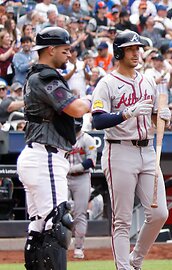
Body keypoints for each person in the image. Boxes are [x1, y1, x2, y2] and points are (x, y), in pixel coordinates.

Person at [91, 30, 170, 270]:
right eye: (131, 49)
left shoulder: (147, 80)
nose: (136, 53)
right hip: (120, 150)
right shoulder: (107, 83)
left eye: (139, 48)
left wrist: (163, 116)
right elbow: (98, 120)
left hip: (147, 151)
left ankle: (135, 260)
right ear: (119, 52)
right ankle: (124, 267)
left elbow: (155, 115)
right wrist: (126, 113)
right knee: (122, 219)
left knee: (159, 214)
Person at [16, 27, 92, 270]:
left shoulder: (37, 75)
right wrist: (95, 100)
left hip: (39, 154)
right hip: (45, 156)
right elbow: (76, 109)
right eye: (65, 49)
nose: (69, 54)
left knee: (40, 226)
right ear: (50, 49)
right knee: (58, 223)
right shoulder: (46, 77)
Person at [67, 118, 97, 259]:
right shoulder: (62, 137)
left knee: (80, 213)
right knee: (60, 212)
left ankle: (78, 247)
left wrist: (73, 168)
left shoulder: (88, 139)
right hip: (64, 177)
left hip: (81, 177)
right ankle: (61, 245)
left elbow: (91, 161)